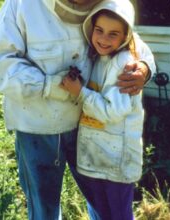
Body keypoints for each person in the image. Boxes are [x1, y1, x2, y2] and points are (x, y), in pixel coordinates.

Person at [0, 0, 155, 219]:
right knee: (44, 208)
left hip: (91, 127)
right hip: (37, 126)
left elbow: (131, 42)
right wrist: (50, 85)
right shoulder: (22, 5)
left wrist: (144, 69)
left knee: (103, 205)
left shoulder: (109, 4)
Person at [60, 1, 148, 219]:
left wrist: (80, 92)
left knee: (118, 215)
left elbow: (113, 112)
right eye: (99, 30)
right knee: (102, 213)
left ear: (126, 36)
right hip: (101, 156)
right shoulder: (98, 58)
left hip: (118, 161)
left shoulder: (124, 64)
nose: (103, 39)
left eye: (113, 34)